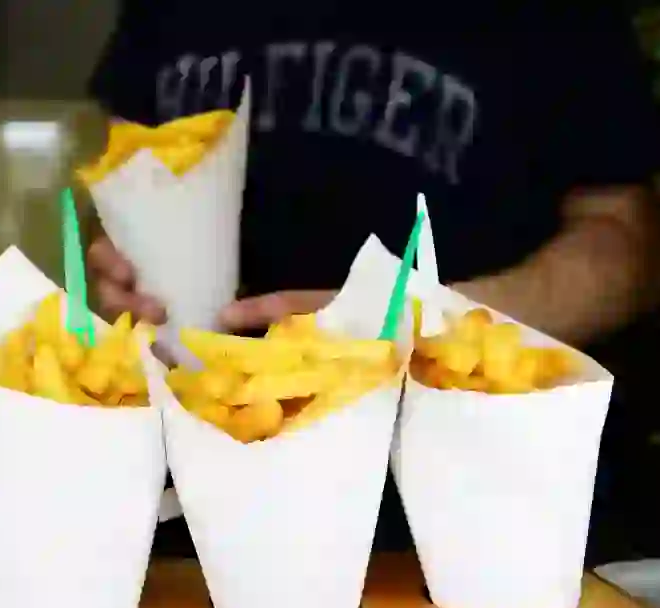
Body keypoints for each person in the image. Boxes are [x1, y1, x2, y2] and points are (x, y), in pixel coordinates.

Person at [87, 1, 660, 554]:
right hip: (201, 487)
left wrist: (434, 322)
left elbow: (627, 244)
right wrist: (119, 264)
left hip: (486, 493)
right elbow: (124, 178)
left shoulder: (559, 17)